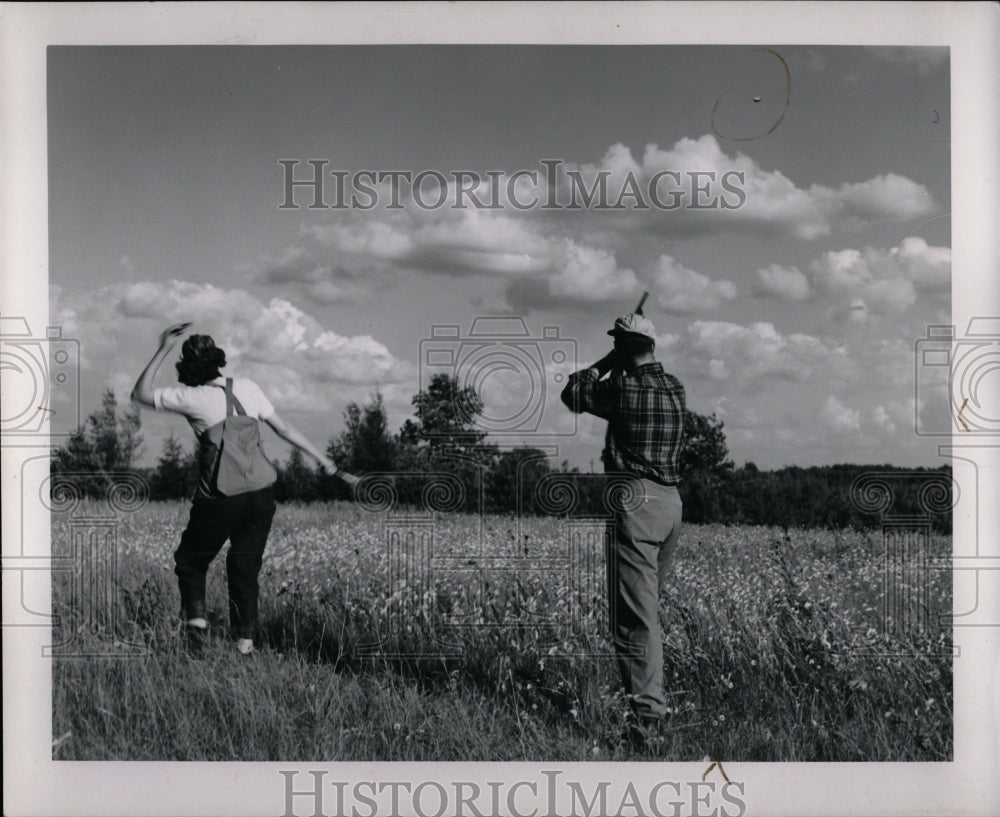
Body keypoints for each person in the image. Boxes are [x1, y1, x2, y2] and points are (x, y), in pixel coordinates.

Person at [132, 323, 357, 656]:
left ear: (187, 368)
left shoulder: (191, 398)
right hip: (262, 493)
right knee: (244, 567)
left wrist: (162, 347)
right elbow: (285, 429)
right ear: (218, 360)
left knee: (191, 561)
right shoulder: (248, 388)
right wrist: (330, 465)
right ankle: (245, 647)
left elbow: (140, 394)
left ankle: (196, 636)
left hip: (221, 496)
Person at [560, 312, 686, 745]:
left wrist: (603, 359)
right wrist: (623, 353)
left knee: (634, 619)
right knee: (645, 613)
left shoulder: (622, 387)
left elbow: (572, 394)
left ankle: (648, 725)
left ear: (622, 344)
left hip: (635, 502)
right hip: (671, 505)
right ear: (651, 345)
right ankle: (648, 708)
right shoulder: (675, 388)